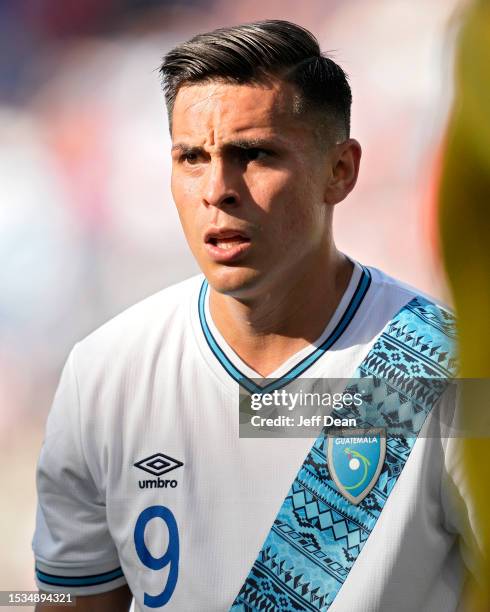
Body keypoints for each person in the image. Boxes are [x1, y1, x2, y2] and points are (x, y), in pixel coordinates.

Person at [33, 20, 467, 612]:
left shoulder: (443, 372)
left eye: (254, 154)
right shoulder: (103, 374)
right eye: (192, 157)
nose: (217, 189)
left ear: (340, 171)